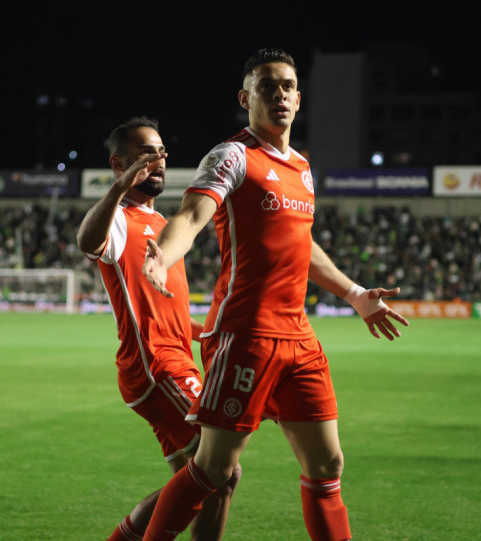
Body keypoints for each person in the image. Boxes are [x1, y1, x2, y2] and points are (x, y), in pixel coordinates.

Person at [141, 48, 409, 541]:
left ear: (299, 98)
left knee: (328, 463)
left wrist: (354, 294)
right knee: (213, 469)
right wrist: (163, 252)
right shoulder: (233, 155)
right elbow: (192, 215)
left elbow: (301, 244)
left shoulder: (303, 169)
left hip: (299, 338)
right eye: (267, 86)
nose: (279, 94)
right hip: (246, 335)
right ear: (246, 98)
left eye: (287, 86)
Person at [76, 117, 239, 541]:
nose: (160, 161)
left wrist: (209, 334)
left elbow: (169, 312)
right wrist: (118, 187)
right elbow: (87, 242)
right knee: (222, 468)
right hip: (155, 365)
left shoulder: (165, 225)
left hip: (176, 359)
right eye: (147, 154)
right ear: (119, 164)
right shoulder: (119, 219)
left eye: (162, 152)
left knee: (205, 482)